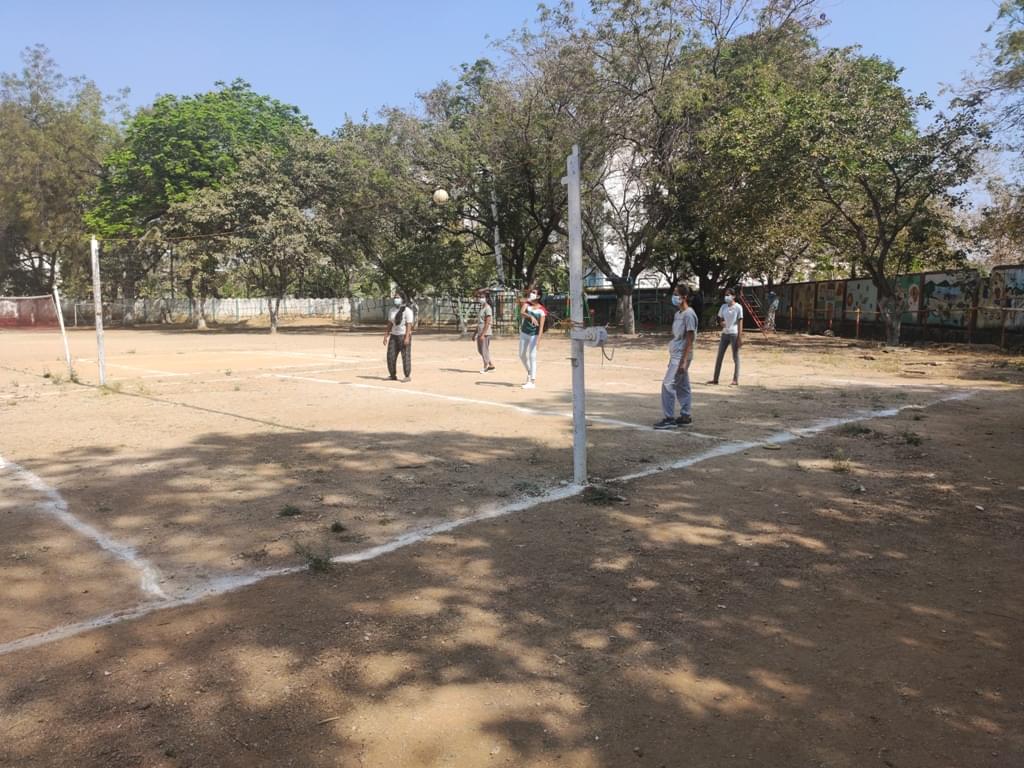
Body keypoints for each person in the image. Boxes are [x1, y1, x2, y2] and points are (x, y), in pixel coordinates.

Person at [654, 286, 698, 429]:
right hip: (676, 354)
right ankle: (685, 416)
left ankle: (669, 418)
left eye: (676, 294)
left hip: (681, 355)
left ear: (684, 297)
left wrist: (684, 361)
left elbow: (690, 338)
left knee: (668, 384)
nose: (674, 297)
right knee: (682, 385)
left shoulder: (689, 314)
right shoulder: (678, 314)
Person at [708, 287, 743, 386]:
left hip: (734, 334)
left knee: (735, 357)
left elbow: (740, 322)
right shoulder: (723, 307)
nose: (726, 297)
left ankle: (735, 379)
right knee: (719, 356)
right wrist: (721, 322)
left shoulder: (738, 307)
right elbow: (720, 318)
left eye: (728, 295)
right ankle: (715, 379)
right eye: (725, 295)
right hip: (725, 333)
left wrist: (740, 337)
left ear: (733, 296)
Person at [518, 287, 546, 389]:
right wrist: (530, 316)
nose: (531, 294)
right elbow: (521, 312)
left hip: (534, 335)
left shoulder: (542, 310)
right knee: (521, 355)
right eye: (531, 292)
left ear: (538, 296)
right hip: (524, 333)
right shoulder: (528, 304)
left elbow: (541, 327)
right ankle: (529, 371)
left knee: (532, 356)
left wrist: (538, 340)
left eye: (534, 293)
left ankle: (532, 382)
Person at [383, 292, 414, 381]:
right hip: (394, 336)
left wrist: (407, 337)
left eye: (398, 297)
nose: (396, 299)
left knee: (405, 356)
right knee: (390, 356)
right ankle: (392, 375)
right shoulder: (392, 310)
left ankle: (407, 376)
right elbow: (390, 323)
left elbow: (409, 324)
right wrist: (386, 335)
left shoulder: (407, 311)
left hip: (403, 335)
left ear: (402, 299)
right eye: (395, 298)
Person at [473, 290, 496, 374]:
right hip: (480, 331)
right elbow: (480, 322)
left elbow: (487, 322)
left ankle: (485, 366)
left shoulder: (488, 308)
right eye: (479, 297)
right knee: (480, 350)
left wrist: (483, 334)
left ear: (486, 298)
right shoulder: (482, 308)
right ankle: (491, 365)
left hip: (485, 333)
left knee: (484, 349)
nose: (480, 299)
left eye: (482, 297)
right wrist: (475, 333)